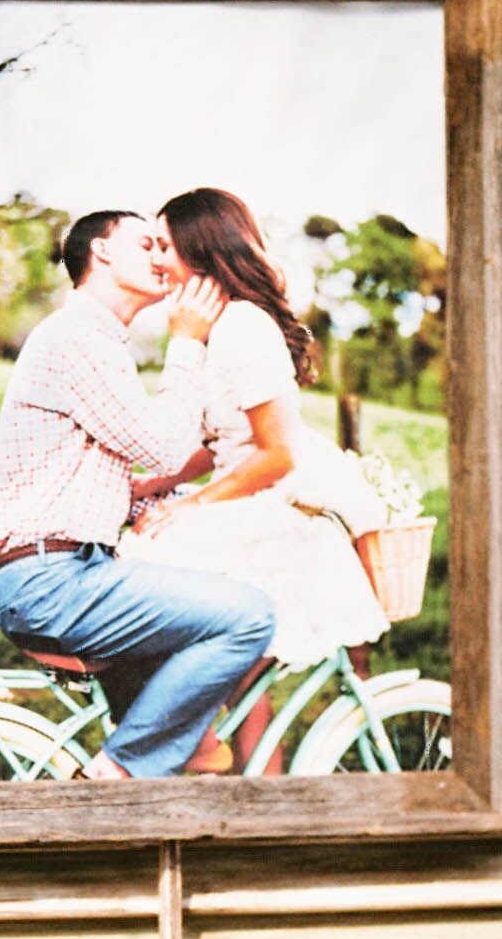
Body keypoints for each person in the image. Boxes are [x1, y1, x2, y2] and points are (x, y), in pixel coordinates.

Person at [0, 207, 277, 779]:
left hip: (65, 570)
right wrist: (187, 343)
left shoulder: (95, 341)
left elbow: (109, 476)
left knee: (202, 752)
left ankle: (166, 795)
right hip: (56, 583)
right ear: (104, 253)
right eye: (146, 244)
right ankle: (118, 771)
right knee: (248, 616)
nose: (162, 258)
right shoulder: (77, 339)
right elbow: (164, 447)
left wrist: (163, 504)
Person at [126, 185, 390, 664]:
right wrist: (157, 484)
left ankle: (184, 732)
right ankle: (239, 739)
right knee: (234, 653)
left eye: (164, 246)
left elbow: (278, 452)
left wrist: (192, 507)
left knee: (143, 558)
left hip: (280, 505)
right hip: (249, 496)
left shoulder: (242, 326)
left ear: (199, 247)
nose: (156, 261)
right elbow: (226, 442)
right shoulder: (210, 327)